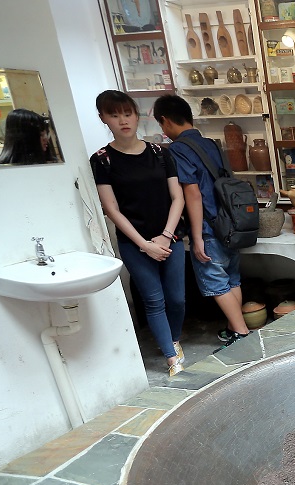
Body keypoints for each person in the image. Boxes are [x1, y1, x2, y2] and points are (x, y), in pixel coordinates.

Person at [90, 90, 187, 378]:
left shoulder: (161, 153)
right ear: (103, 118)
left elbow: (178, 198)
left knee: (178, 298)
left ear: (137, 115)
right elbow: (112, 209)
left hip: (170, 238)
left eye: (127, 113)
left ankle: (173, 339)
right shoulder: (102, 160)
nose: (123, 120)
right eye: (114, 115)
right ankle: (173, 360)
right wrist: (144, 244)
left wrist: (166, 237)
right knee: (154, 300)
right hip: (135, 243)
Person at [152, 94, 250, 346]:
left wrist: (196, 238)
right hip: (230, 223)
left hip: (208, 227)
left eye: (161, 125)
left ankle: (241, 334)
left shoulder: (177, 150)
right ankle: (232, 328)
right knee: (231, 279)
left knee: (217, 283)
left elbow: (192, 194)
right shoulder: (211, 144)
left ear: (165, 121)